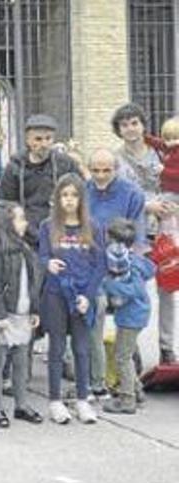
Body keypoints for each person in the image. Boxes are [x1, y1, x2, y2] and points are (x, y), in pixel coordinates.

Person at [111, 103, 178, 364]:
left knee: (167, 289)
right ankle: (131, 348)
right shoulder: (115, 159)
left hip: (165, 230)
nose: (130, 128)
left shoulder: (163, 153)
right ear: (118, 129)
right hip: (135, 233)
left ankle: (166, 346)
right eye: (124, 124)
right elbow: (115, 195)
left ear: (143, 125)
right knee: (132, 290)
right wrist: (146, 205)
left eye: (135, 123)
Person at [38, 174, 105, 425]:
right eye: (64, 195)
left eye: (74, 195)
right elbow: (42, 255)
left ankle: (82, 399)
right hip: (56, 294)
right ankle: (55, 401)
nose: (69, 200)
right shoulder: (48, 226)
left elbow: (100, 265)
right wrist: (48, 264)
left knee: (81, 348)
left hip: (82, 296)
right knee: (56, 347)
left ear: (81, 198)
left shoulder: (94, 227)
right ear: (57, 198)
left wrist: (88, 296)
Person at [85, 148, 147, 399]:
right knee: (94, 323)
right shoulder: (83, 190)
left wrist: (136, 272)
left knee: (125, 332)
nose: (100, 176)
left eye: (106, 170)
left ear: (116, 169)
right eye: (95, 170)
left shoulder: (132, 193)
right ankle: (98, 380)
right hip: (93, 269)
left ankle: (131, 387)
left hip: (123, 269)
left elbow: (139, 236)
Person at [0, 202, 44, 428]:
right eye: (20, 219)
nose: (25, 223)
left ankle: (21, 405)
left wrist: (35, 309)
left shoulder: (25, 248)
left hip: (23, 314)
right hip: (5, 316)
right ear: (6, 222)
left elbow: (32, 284)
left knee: (21, 362)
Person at [0, 114, 82, 247]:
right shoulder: (14, 168)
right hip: (25, 235)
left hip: (60, 233)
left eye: (48, 139)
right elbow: (5, 203)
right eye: (38, 139)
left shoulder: (65, 164)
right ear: (28, 140)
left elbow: (81, 194)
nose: (44, 144)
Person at [101, 219, 156, 415]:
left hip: (132, 316)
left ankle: (127, 399)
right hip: (133, 315)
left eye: (110, 239)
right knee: (126, 354)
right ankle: (137, 390)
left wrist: (109, 285)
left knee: (122, 357)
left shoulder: (130, 265)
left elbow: (134, 290)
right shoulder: (129, 261)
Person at [145, 117, 179, 196]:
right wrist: (143, 136)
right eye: (167, 139)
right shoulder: (167, 147)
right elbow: (156, 142)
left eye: (175, 138)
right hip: (167, 188)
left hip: (176, 191)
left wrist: (164, 171)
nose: (170, 142)